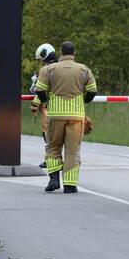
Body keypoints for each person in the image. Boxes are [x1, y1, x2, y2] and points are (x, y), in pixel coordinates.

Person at [33, 41, 97, 193]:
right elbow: (92, 90)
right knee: (72, 151)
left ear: (61, 53)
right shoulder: (84, 70)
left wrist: (46, 101)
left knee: (53, 147)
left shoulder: (49, 69)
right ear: (74, 53)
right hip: (76, 116)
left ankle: (54, 179)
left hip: (55, 115)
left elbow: (40, 90)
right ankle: (70, 185)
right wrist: (83, 101)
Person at [30, 42, 58, 168]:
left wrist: (35, 104)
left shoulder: (46, 70)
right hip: (63, 107)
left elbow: (40, 90)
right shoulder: (59, 67)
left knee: (48, 135)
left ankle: (50, 160)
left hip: (50, 107)